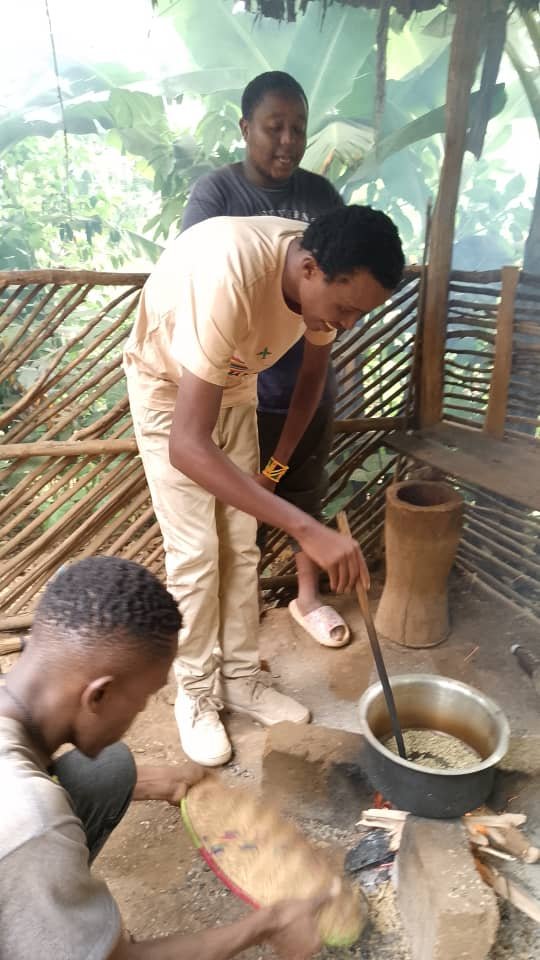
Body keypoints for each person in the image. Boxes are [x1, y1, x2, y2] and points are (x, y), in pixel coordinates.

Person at [124, 204, 404, 767]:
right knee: (198, 555)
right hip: (168, 393)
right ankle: (196, 695)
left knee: (242, 547)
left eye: (359, 316)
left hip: (234, 389)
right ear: (310, 269)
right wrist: (306, 527)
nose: (347, 323)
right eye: (346, 309)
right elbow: (187, 444)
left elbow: (312, 382)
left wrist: (273, 472)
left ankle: (241, 679)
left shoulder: (322, 284)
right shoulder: (231, 273)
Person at [0, 556, 336, 960]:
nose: (139, 713)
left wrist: (155, 781)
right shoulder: (32, 821)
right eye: (143, 700)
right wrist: (268, 924)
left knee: (110, 769)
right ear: (99, 696)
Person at [182, 70, 351, 650]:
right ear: (245, 127)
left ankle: (306, 599)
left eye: (298, 128)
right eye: (274, 127)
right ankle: (233, 622)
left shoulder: (322, 198)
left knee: (301, 486)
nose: (287, 140)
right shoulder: (217, 197)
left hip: (307, 373)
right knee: (231, 511)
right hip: (234, 384)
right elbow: (200, 287)